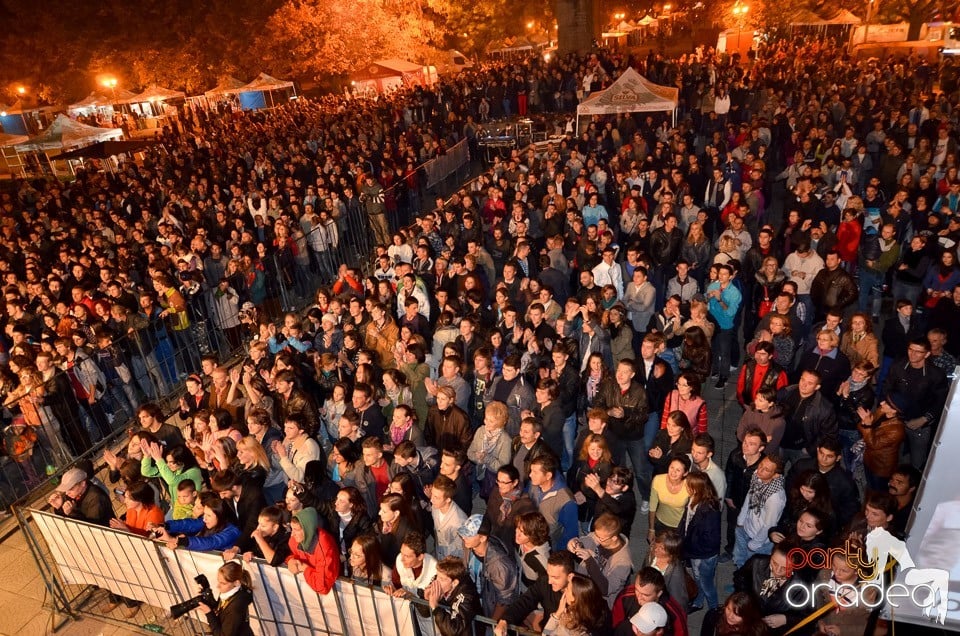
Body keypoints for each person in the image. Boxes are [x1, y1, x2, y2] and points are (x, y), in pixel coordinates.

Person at [496, 551, 576, 636]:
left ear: (570, 576)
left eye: (555, 577)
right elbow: (525, 602)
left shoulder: (584, 592)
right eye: (548, 575)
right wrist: (505, 620)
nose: (549, 581)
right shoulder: (544, 582)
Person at [459, 514, 518, 621]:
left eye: (468, 535)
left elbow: (505, 600)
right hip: (475, 603)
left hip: (489, 611)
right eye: (463, 533)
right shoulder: (468, 545)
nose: (463, 537)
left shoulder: (499, 563)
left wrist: (491, 624)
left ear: (482, 538)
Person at [566, 513, 633, 608]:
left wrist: (589, 560)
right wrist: (574, 542)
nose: (596, 539)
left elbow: (605, 589)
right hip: (583, 588)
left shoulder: (623, 562)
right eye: (596, 534)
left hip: (599, 601)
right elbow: (586, 540)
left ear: (614, 538)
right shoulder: (601, 535)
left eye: (600, 538)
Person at [733, 454, 786, 568]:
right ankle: (737, 584)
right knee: (739, 560)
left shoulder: (775, 498)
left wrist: (754, 544)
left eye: (766, 469)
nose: (760, 470)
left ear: (775, 475)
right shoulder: (758, 477)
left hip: (759, 541)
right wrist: (740, 521)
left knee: (750, 571)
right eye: (761, 465)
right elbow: (749, 497)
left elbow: (769, 525)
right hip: (745, 528)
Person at [680, 471, 721, 611]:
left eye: (688, 485)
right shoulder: (693, 498)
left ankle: (714, 609)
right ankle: (698, 601)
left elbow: (710, 539)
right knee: (698, 579)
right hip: (694, 550)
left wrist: (692, 550)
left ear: (696, 488)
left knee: (706, 583)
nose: (685, 486)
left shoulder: (709, 509)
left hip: (703, 554)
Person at [286, 507, 340, 595]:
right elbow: (292, 554)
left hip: (331, 597)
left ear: (307, 529)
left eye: (296, 530)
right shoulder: (294, 540)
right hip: (308, 593)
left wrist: (305, 568)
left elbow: (322, 587)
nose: (292, 534)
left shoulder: (325, 547)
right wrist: (290, 560)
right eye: (292, 529)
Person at [425, 556, 482, 636]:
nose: (437, 581)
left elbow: (453, 630)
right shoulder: (437, 580)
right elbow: (424, 614)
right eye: (437, 575)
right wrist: (426, 599)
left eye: (442, 579)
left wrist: (436, 608)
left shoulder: (466, 594)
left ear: (454, 583)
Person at [540, 573, 612, 636]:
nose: (564, 590)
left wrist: (557, 614)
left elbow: (545, 634)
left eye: (567, 589)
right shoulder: (599, 608)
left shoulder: (571, 627)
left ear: (575, 598)